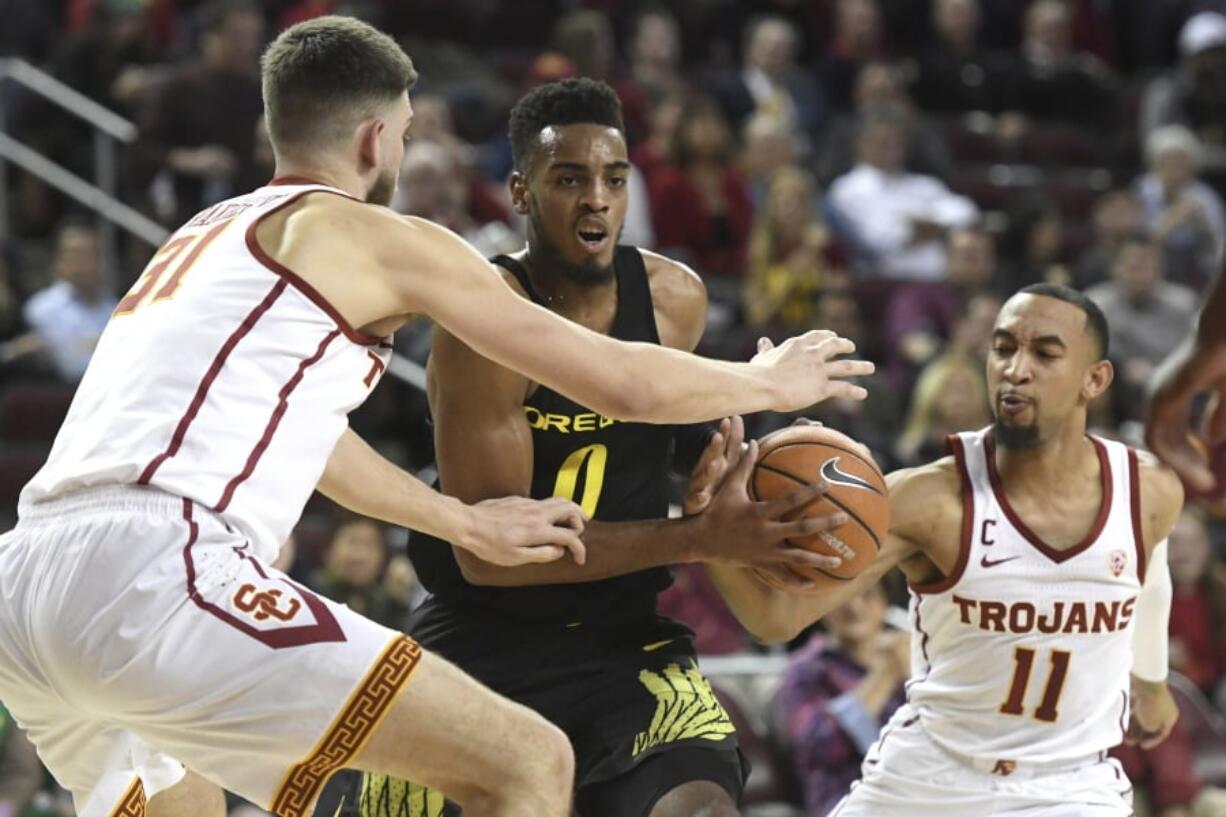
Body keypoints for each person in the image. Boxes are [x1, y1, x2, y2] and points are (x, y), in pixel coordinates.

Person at [0, 17, 873, 817]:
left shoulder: (203, 237)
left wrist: (454, 519)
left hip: (26, 585)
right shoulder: (371, 236)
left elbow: (314, 439)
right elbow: (620, 385)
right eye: (409, 133)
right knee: (529, 764)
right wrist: (764, 381)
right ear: (378, 138)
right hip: (160, 569)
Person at [355, 77, 854, 817]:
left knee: (703, 807)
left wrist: (731, 469)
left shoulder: (673, 298)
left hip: (622, 637)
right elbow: (493, 554)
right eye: (569, 178)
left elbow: (663, 435)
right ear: (521, 192)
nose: (596, 198)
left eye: (613, 179)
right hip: (483, 634)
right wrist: (696, 536)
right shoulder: (482, 328)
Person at [689, 284, 1185, 816]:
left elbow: (1150, 577)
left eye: (1044, 353)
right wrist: (706, 531)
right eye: (1003, 348)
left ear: (1096, 379)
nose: (1016, 369)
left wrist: (1151, 680)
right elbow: (776, 618)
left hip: (1070, 787)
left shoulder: (1149, 492)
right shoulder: (927, 499)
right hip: (928, 777)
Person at [775, 582, 909, 817]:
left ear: (884, 601)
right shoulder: (805, 670)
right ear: (822, 605)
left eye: (867, 594)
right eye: (842, 595)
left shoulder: (913, 659)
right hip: (844, 802)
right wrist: (885, 676)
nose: (854, 606)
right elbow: (819, 745)